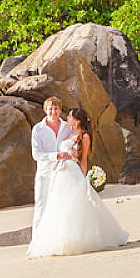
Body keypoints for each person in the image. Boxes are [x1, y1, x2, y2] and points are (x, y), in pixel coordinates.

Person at [27, 107, 129, 258]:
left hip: (72, 172)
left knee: (76, 205)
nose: (67, 118)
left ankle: (79, 239)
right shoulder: (69, 133)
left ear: (77, 120)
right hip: (60, 173)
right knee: (60, 206)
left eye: (69, 116)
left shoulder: (84, 135)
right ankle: (59, 237)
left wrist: (84, 178)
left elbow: (83, 160)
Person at [30, 96, 73, 236]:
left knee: (63, 205)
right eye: (50, 108)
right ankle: (37, 239)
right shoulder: (38, 129)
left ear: (60, 110)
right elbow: (36, 155)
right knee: (41, 205)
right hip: (45, 173)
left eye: (56, 108)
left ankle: (60, 236)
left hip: (64, 172)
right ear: (45, 110)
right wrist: (56, 156)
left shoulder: (67, 127)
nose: (53, 111)